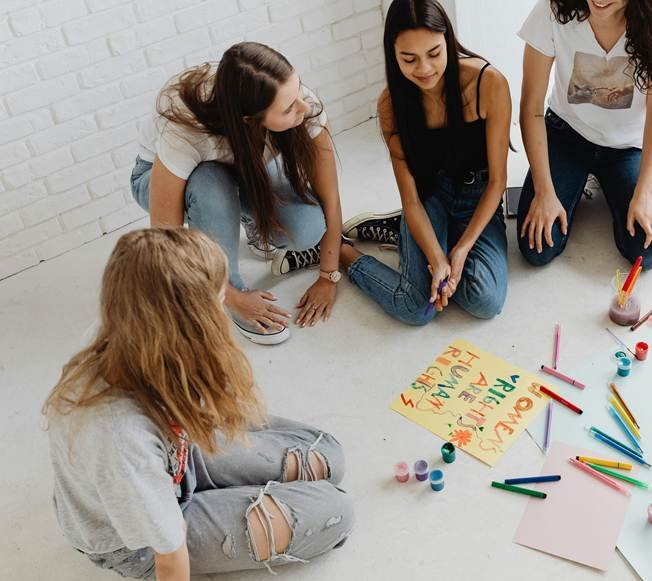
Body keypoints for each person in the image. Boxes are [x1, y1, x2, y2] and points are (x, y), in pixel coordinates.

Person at [44, 228, 353, 579]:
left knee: (330, 457)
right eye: (218, 301)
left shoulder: (133, 322)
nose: (223, 308)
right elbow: (169, 555)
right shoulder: (120, 438)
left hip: (177, 457)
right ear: (188, 324)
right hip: (141, 545)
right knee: (336, 511)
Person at [132, 42, 346, 344]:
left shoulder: (293, 96)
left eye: (298, 90)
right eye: (288, 108)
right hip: (161, 181)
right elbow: (166, 240)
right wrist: (230, 296)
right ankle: (228, 282)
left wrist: (328, 276)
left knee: (308, 228)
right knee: (210, 180)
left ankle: (244, 222)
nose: (304, 106)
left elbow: (331, 198)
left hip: (242, 168)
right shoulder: (185, 129)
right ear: (249, 119)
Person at [339, 0, 512, 326]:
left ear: (447, 40)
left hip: (479, 196)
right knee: (415, 308)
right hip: (429, 198)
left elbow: (497, 182)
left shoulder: (488, 83)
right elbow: (412, 198)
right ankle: (344, 252)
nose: (425, 69)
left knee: (485, 301)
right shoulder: (391, 105)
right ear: (393, 55)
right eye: (409, 59)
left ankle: (407, 235)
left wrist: (459, 252)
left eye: (434, 53)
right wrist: (436, 258)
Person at [517, 0, 652, 268]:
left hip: (628, 147)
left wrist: (645, 193)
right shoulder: (552, 9)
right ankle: (582, 179)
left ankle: (608, 179)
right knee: (538, 247)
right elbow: (531, 107)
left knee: (646, 252)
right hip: (567, 134)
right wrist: (544, 192)